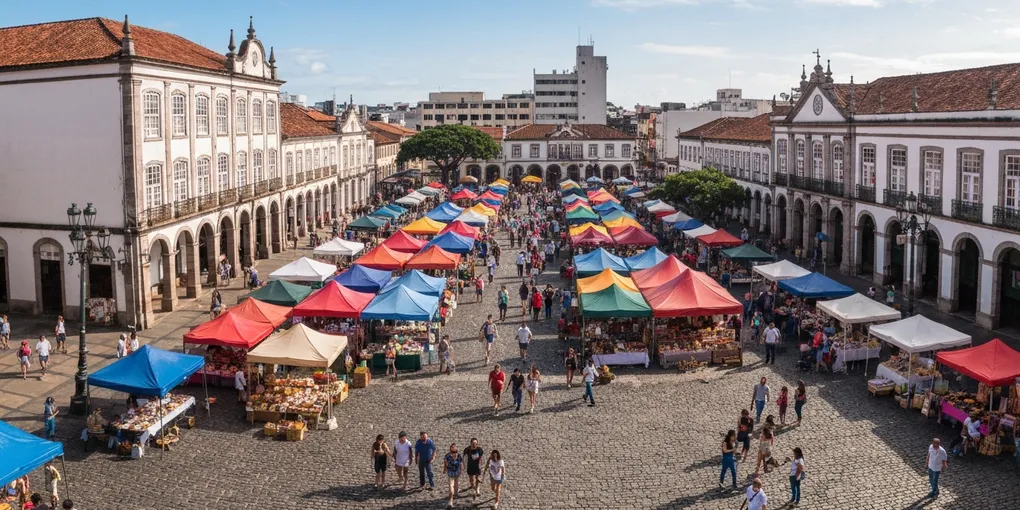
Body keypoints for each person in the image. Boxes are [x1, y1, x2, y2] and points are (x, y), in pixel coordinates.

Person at [443, 443, 463, 509]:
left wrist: (461, 470)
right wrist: (444, 469)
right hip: (451, 472)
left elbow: (460, 464)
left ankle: (455, 494)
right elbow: (445, 463)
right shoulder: (447, 456)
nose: (454, 448)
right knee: (451, 485)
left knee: (456, 484)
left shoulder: (458, 455)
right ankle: (451, 498)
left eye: (454, 447)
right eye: (453, 447)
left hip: (457, 472)